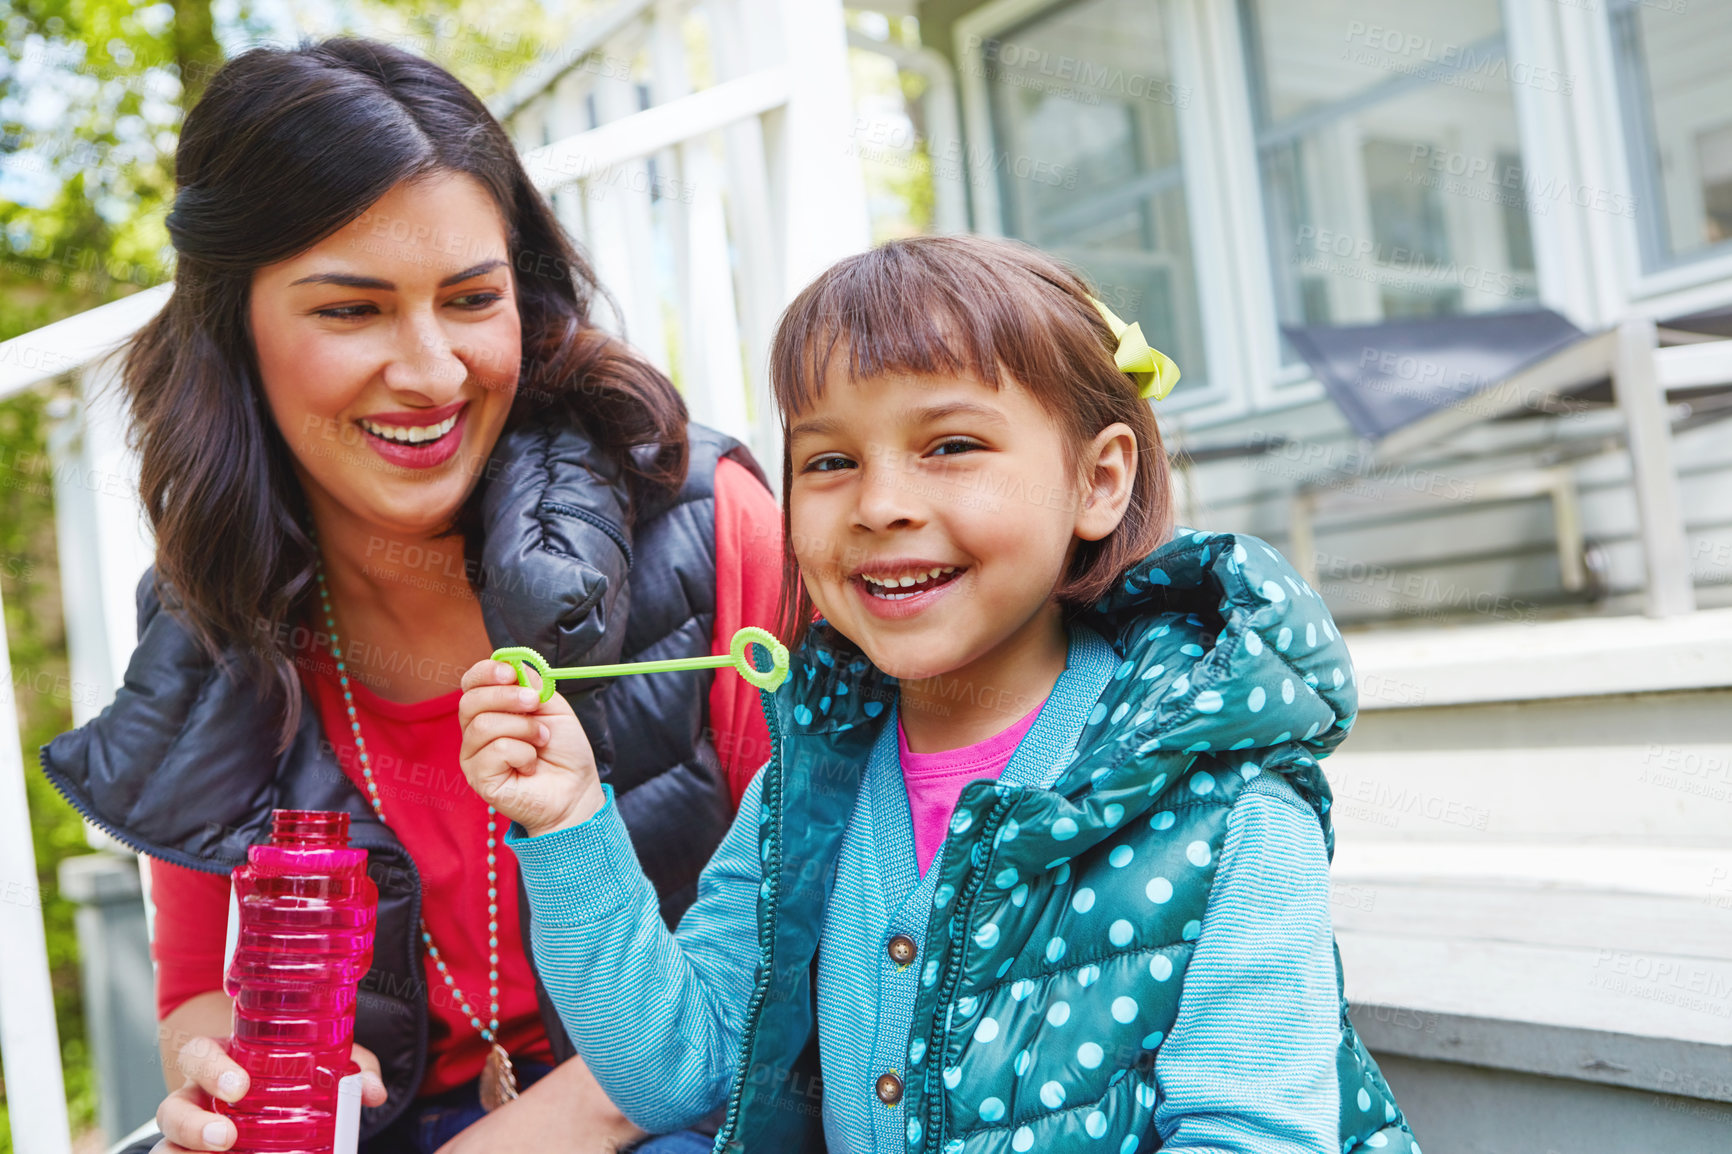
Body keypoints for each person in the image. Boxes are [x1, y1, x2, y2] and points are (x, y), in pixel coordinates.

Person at [456, 235, 1421, 1153]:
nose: (880, 504)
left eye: (951, 445)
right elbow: (680, 1071)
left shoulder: (1226, 800)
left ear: (1099, 481)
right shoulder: (810, 782)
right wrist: (572, 823)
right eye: (830, 462)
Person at [38, 38, 782, 1154]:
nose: (433, 372)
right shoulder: (208, 605)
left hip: (693, 1101)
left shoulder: (707, 523)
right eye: (352, 310)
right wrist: (217, 1076)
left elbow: (808, 922)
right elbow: (199, 983)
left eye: (472, 298)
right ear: (234, 328)